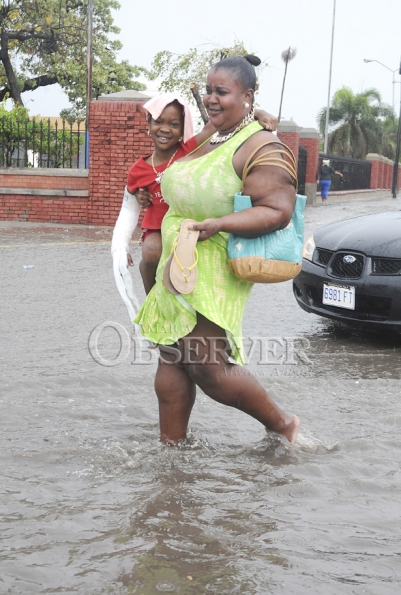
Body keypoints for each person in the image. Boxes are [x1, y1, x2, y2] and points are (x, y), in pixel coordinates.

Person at [134, 55, 300, 445]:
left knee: (209, 367)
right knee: (171, 356)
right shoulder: (213, 134)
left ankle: (283, 424)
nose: (210, 98)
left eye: (221, 91)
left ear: (247, 95)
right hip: (179, 260)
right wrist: (149, 193)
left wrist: (219, 224)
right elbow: (169, 169)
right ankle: (171, 450)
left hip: (214, 262)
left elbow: (278, 210)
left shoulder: (261, 143)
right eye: (208, 90)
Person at [125, 93, 278, 294]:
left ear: (182, 129)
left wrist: (254, 111)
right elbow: (128, 204)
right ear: (149, 123)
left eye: (173, 124)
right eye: (158, 122)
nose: (164, 129)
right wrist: (137, 200)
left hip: (189, 222)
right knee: (152, 253)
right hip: (157, 226)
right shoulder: (138, 168)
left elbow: (215, 125)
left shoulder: (188, 150)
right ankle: (152, 296)